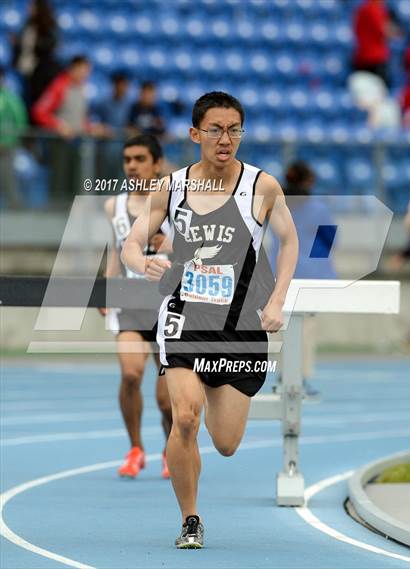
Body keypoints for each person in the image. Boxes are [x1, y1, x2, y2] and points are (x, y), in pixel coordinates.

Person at [121, 91, 298, 548]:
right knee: (185, 419)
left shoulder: (262, 186)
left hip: (239, 328)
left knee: (225, 442)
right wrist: (144, 264)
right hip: (185, 317)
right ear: (195, 133)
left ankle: (196, 434)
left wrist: (277, 300)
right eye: (216, 129)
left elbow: (291, 242)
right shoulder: (172, 187)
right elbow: (131, 243)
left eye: (234, 129)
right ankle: (190, 518)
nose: (226, 139)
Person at [102, 134, 173, 479]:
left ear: (157, 163)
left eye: (140, 159)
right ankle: (135, 449)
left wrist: (169, 244)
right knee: (130, 374)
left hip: (167, 307)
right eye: (128, 159)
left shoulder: (176, 203)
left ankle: (172, 450)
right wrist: (106, 286)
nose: (132, 165)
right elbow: (115, 250)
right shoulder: (113, 206)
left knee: (165, 397)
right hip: (129, 303)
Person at [269, 160, 337, 399]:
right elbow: (329, 241)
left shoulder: (277, 205)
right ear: (310, 180)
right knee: (305, 331)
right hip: (311, 276)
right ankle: (301, 379)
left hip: (279, 271)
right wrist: (315, 263)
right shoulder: (319, 207)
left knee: (278, 327)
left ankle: (281, 378)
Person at [32, 55, 104, 199]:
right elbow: (39, 111)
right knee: (60, 184)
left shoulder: (83, 89)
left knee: (75, 185)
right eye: (84, 70)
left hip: (77, 143)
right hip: (61, 144)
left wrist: (90, 127)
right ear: (74, 68)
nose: (86, 74)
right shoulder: (59, 86)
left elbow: (79, 118)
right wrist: (58, 126)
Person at [12, 0, 60, 109]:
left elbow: (50, 45)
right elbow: (24, 46)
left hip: (41, 72)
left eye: (32, 6)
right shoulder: (27, 25)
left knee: (39, 101)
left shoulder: (48, 26)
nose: (29, 9)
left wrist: (38, 44)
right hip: (26, 69)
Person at [0, 66, 28, 207]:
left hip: (6, 147)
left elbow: (20, 121)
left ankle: (14, 205)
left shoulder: (11, 99)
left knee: (8, 177)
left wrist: (10, 140)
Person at [352, 0, 396, 88]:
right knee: (378, 91)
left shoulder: (362, 9)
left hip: (361, 55)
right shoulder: (375, 9)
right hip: (375, 57)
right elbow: (384, 31)